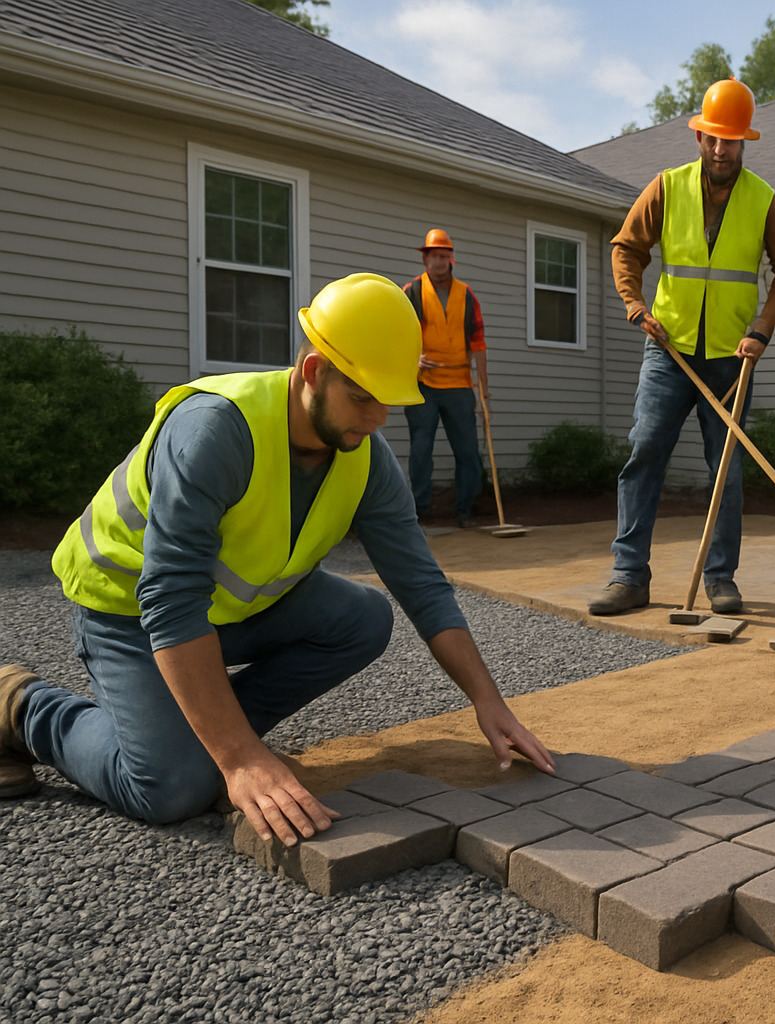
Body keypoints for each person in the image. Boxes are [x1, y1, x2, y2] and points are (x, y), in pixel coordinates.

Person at [0, 274, 553, 846]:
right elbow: (170, 600)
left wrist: (488, 701)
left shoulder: (365, 455)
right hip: (127, 612)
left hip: (224, 613)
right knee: (170, 788)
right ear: (313, 371)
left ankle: (202, 731)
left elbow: (423, 586)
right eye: (362, 397)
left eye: (388, 400)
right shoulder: (216, 430)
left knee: (364, 619)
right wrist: (239, 759)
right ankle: (23, 707)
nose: (376, 420)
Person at [589, 77, 775, 617]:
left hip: (732, 359)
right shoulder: (667, 187)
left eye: (729, 140)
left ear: (743, 142)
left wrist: (762, 329)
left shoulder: (763, 200)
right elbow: (626, 249)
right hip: (668, 352)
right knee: (644, 454)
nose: (719, 149)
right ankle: (628, 576)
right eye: (712, 138)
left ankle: (720, 578)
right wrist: (635, 305)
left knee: (725, 468)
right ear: (699, 137)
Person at [402, 229, 489, 528]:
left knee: (468, 452)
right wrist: (412, 359)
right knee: (420, 450)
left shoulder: (467, 295)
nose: (438, 261)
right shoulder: (411, 292)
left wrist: (484, 392)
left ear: (451, 259)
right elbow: (398, 333)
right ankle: (419, 512)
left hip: (459, 385)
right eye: (433, 256)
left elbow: (478, 343)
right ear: (424, 259)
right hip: (423, 384)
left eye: (443, 255)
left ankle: (465, 511)